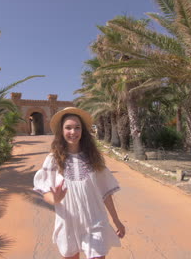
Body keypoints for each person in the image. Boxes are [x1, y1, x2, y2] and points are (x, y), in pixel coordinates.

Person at [33, 107, 125, 259]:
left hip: (95, 221)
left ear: (83, 131)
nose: (73, 132)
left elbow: (106, 192)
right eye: (68, 128)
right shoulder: (53, 159)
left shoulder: (93, 158)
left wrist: (116, 220)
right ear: (61, 131)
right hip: (68, 223)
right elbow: (47, 194)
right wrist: (55, 198)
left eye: (77, 128)